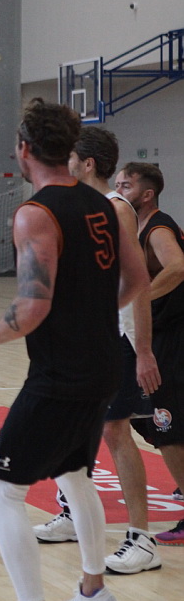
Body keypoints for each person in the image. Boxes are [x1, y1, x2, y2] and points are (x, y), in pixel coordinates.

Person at [0, 99, 149, 601]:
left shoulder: (35, 214)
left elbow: (32, 305)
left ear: (24, 149)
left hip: (61, 375)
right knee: (73, 474)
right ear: (68, 149)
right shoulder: (104, 206)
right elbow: (137, 278)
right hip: (104, 364)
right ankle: (93, 594)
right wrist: (92, 313)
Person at [33, 127, 162, 574]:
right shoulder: (82, 206)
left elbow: (137, 282)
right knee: (76, 425)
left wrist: (144, 350)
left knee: (115, 432)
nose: (64, 163)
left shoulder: (117, 208)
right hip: (86, 338)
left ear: (87, 163)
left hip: (118, 338)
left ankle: (142, 538)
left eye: (70, 157)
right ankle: (73, 513)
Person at [115, 162, 184, 547]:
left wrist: (140, 296)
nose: (118, 189)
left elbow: (178, 266)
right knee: (146, 417)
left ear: (147, 194)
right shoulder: (135, 227)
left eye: (126, 184)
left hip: (172, 337)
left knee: (164, 423)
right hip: (162, 334)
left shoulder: (157, 228)